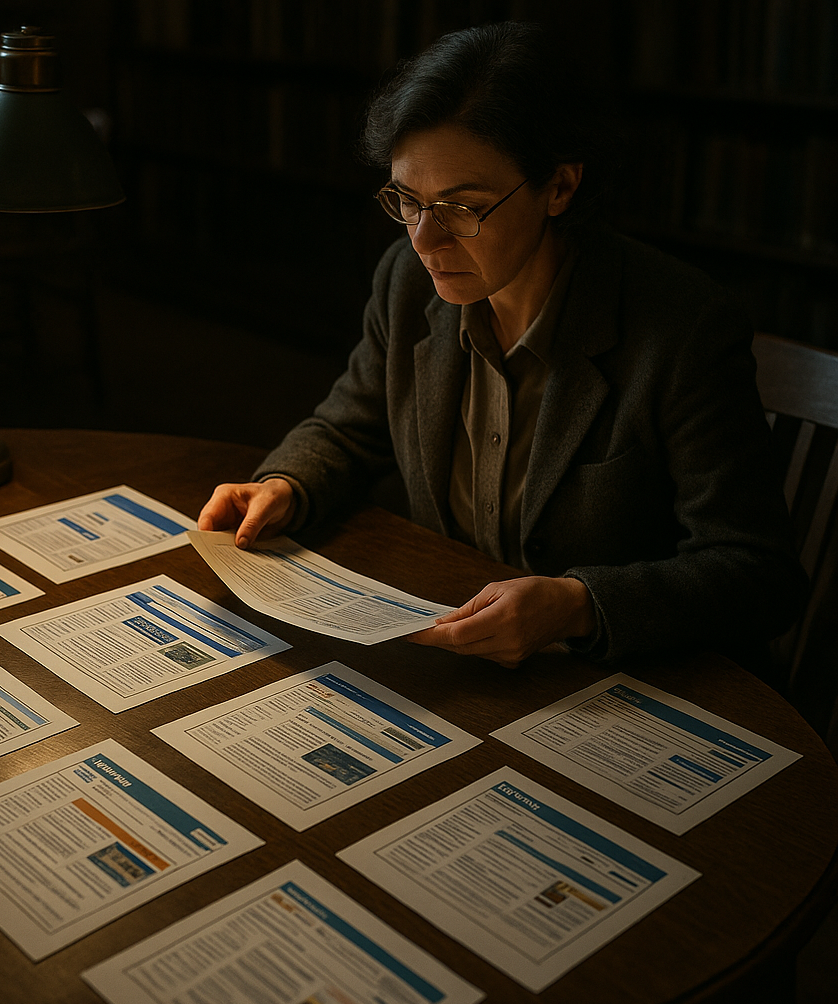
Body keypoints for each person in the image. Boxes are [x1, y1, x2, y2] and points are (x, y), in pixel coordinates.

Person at [197, 22, 805, 672]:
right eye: (408, 199)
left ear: (560, 187)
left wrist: (579, 605)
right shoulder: (407, 284)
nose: (425, 241)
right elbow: (351, 427)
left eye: (463, 207)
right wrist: (287, 484)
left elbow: (759, 574)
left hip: (624, 681)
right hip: (462, 661)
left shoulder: (681, 328)